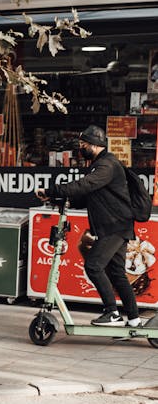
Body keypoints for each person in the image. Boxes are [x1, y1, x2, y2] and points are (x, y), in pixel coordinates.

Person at [36, 124, 141, 327]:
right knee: (117, 273)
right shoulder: (100, 164)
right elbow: (90, 197)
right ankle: (134, 319)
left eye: (83, 144)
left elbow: (85, 185)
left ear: (94, 145)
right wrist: (58, 201)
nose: (80, 147)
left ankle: (112, 313)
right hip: (116, 226)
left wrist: (52, 190)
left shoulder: (107, 165)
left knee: (93, 266)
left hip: (115, 226)